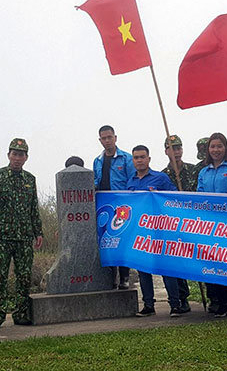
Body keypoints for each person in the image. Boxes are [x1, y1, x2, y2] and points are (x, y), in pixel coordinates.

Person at [0, 138, 43, 329]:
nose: (17, 158)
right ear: (8, 155)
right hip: (2, 236)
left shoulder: (30, 179)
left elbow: (33, 208)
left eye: (21, 155)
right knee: (0, 277)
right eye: (14, 154)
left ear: (26, 157)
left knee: (24, 277)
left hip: (24, 237)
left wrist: (38, 231)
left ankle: (20, 313)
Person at [126, 145, 186, 318]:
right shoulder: (130, 182)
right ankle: (148, 305)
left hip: (161, 230)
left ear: (149, 159)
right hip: (140, 231)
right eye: (136, 157)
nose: (139, 160)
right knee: (143, 268)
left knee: (166, 267)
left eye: (142, 157)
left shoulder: (161, 178)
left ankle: (175, 305)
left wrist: (159, 195)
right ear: (133, 160)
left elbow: (175, 197)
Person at [197, 133, 227, 318]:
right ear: (208, 150)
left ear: (225, 148)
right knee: (215, 263)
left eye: (219, 146)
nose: (216, 150)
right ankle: (222, 303)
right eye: (212, 147)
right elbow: (199, 196)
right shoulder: (203, 172)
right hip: (210, 226)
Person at [93, 125, 134, 289]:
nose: (107, 141)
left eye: (110, 137)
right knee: (107, 242)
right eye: (104, 138)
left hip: (122, 206)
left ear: (115, 138)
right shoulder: (98, 160)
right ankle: (110, 278)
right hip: (104, 206)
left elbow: (132, 181)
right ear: (100, 140)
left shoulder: (126, 158)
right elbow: (96, 181)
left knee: (122, 241)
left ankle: (125, 277)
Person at [160, 135, 194, 312]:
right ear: (166, 151)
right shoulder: (161, 176)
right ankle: (182, 297)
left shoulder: (193, 170)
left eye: (178, 148)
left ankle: (215, 298)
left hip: (195, 222)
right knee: (177, 261)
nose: (176, 152)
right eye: (172, 148)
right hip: (173, 225)